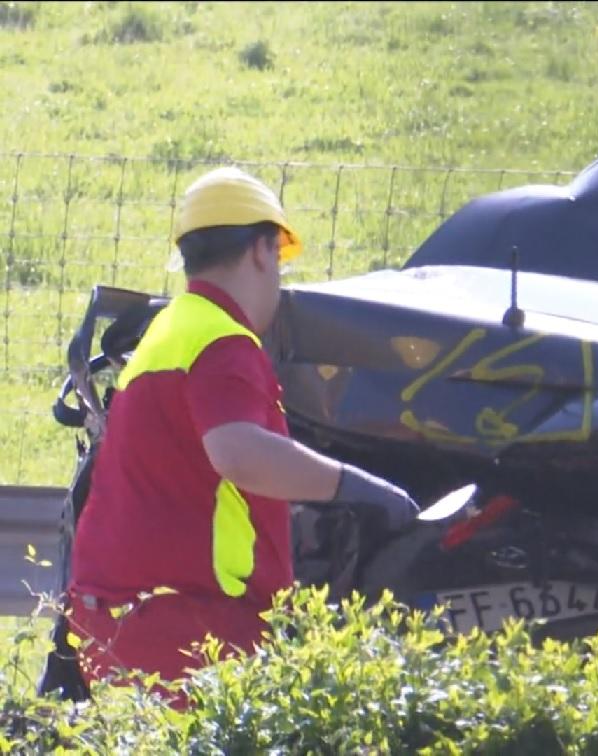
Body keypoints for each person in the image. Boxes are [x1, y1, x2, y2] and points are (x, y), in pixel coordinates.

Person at [64, 166, 421, 704]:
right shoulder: (223, 341)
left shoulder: (171, 330)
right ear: (262, 250)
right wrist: (360, 488)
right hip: (186, 626)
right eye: (278, 257)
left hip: (119, 619)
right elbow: (238, 451)